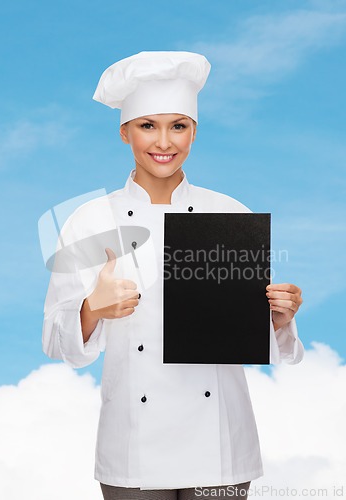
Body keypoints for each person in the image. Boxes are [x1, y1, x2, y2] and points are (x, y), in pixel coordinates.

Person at [42, 51, 304, 500]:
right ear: (124, 132)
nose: (164, 141)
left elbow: (245, 333)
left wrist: (278, 318)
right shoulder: (89, 219)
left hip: (219, 440)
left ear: (194, 132)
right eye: (148, 125)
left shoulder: (228, 213)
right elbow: (56, 341)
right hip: (133, 444)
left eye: (178, 126)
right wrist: (92, 310)